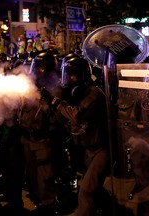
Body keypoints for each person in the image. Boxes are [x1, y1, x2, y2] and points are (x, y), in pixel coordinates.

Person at [41, 56, 110, 216]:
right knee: (93, 189)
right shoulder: (76, 93)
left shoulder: (94, 94)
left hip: (100, 150)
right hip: (86, 150)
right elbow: (65, 122)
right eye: (67, 74)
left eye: (72, 74)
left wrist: (56, 102)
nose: (69, 78)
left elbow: (76, 115)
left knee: (87, 191)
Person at [18, 52, 62, 215]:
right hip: (28, 139)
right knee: (33, 177)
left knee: (45, 177)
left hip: (43, 140)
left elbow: (57, 117)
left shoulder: (54, 89)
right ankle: (42, 204)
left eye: (39, 67)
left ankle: (49, 206)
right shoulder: (29, 86)